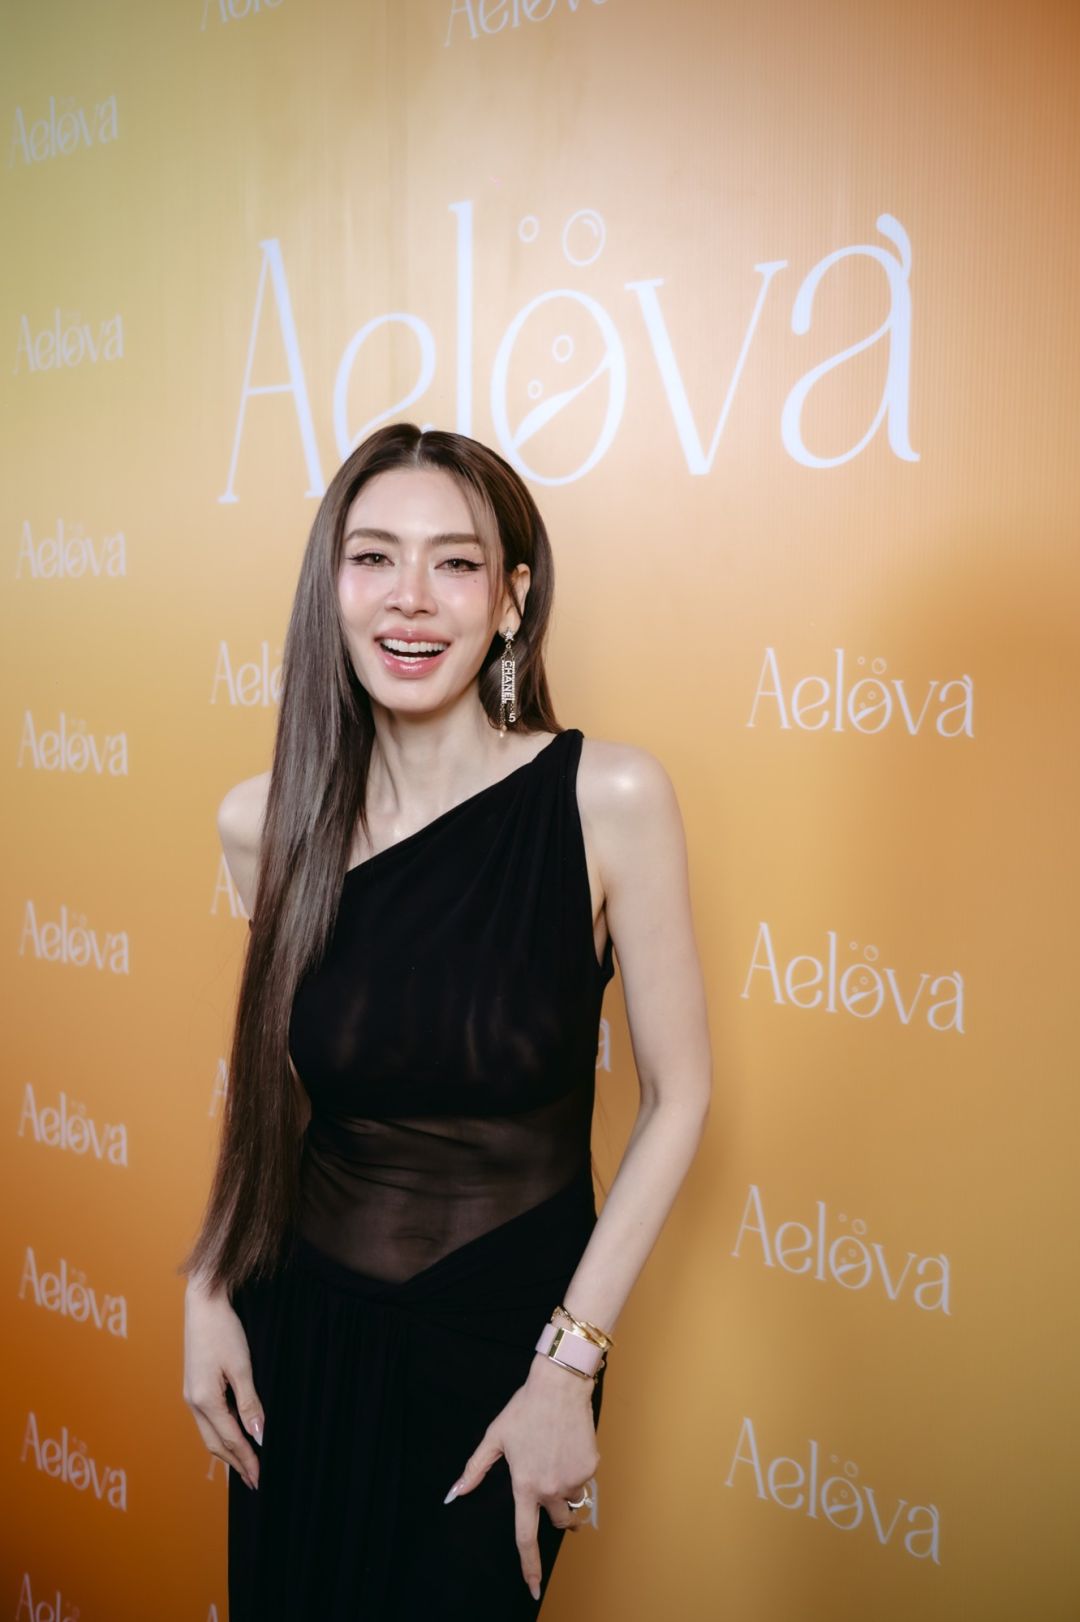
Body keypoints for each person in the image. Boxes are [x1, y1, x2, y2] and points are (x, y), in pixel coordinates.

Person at [179, 423, 712, 1618]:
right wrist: (209, 1281)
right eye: (373, 556)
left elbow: (680, 1098)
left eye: (455, 562)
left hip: (509, 1351)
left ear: (511, 600)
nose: (409, 597)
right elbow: (275, 1089)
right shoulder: (262, 823)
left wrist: (568, 1364)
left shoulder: (607, 797)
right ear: (331, 588)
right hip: (298, 1333)